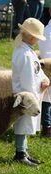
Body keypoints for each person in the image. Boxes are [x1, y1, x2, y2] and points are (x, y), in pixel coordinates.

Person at [12, 17, 49, 165]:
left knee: (26, 123)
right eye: (37, 38)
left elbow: (37, 71)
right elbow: (28, 79)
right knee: (23, 123)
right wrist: (34, 93)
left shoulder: (28, 51)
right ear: (32, 37)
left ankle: (24, 151)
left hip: (31, 93)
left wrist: (44, 78)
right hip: (26, 95)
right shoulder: (24, 54)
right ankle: (20, 153)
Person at [38, 5, 51, 137]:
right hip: (48, 68)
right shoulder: (48, 31)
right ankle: (47, 127)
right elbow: (47, 53)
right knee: (47, 97)